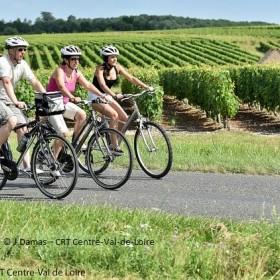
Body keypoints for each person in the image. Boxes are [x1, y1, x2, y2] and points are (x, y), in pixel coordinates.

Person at [0, 36, 45, 171]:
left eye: (25, 49)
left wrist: (47, 95)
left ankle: (27, 166)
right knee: (12, 120)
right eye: (20, 49)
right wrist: (16, 101)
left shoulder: (22, 64)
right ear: (11, 51)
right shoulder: (3, 62)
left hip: (8, 100)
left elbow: (35, 81)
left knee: (23, 129)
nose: (23, 52)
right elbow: (6, 82)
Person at [89, 45, 154, 131]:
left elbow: (131, 78)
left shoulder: (117, 67)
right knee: (114, 115)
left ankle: (117, 139)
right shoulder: (100, 69)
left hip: (107, 95)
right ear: (106, 58)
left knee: (124, 119)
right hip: (95, 96)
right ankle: (113, 144)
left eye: (116, 57)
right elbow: (102, 85)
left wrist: (146, 87)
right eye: (112, 57)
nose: (115, 59)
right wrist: (114, 95)